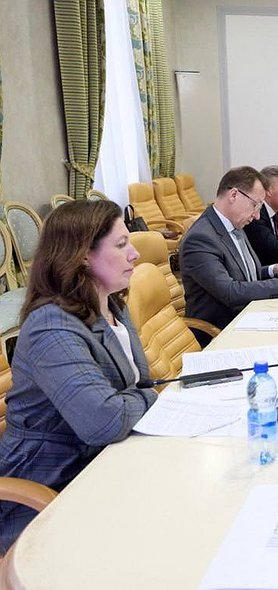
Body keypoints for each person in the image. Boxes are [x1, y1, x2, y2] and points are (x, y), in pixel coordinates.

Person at [0, 200, 158, 553]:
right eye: (121, 244)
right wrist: (149, 397)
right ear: (83, 256)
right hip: (48, 489)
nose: (134, 253)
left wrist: (138, 396)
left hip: (103, 464)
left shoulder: (110, 304)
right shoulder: (51, 326)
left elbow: (137, 385)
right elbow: (106, 421)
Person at [180, 166, 278, 336]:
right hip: (223, 330)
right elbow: (230, 291)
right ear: (234, 195)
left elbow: (242, 275)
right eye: (255, 205)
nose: (257, 216)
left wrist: (274, 270)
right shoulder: (201, 239)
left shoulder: (235, 223)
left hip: (250, 314)